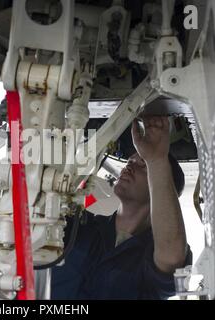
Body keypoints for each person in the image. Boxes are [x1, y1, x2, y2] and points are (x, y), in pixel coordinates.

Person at [51, 116, 192, 299]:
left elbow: (171, 259)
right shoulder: (80, 226)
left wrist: (157, 160)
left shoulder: (155, 254)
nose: (129, 166)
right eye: (129, 162)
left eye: (143, 164)